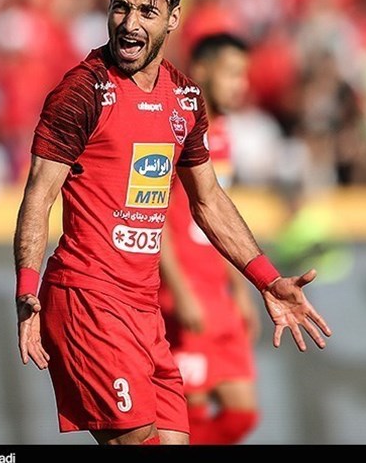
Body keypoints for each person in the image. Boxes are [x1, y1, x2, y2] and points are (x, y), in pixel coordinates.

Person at [12, 0, 332, 446]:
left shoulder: (184, 99)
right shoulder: (83, 91)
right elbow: (39, 195)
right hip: (88, 299)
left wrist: (266, 280)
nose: (129, 24)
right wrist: (27, 287)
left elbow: (209, 200)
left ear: (173, 18)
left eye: (146, 11)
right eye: (121, 7)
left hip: (145, 311)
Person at [158, 33, 261, 444]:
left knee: (241, 417)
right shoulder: (173, 130)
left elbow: (218, 222)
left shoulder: (222, 135)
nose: (241, 85)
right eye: (232, 74)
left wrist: (241, 289)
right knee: (189, 415)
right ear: (202, 70)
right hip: (183, 292)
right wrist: (180, 291)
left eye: (244, 75)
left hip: (218, 292)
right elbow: (155, 218)